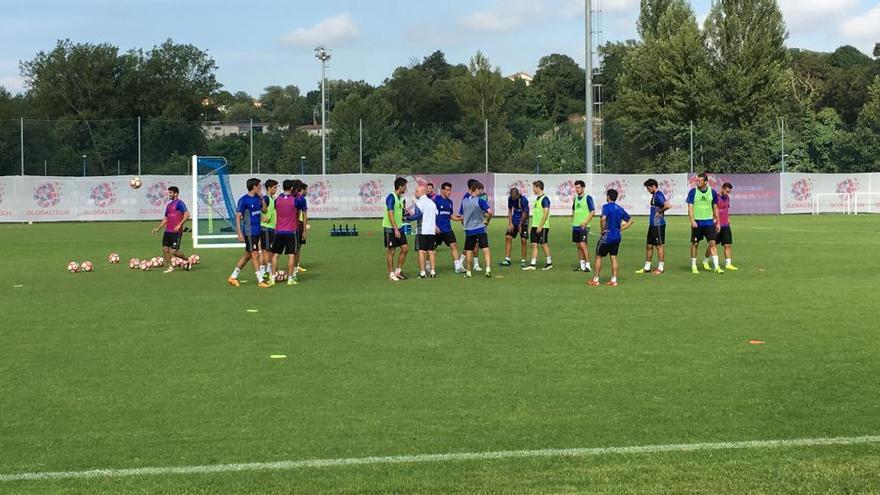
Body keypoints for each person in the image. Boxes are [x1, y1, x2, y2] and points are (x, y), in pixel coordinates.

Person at [588, 189, 633, 287]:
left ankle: (596, 279)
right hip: (617, 236)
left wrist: (602, 229)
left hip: (607, 236)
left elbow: (603, 219)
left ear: (608, 196)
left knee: (599, 256)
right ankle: (614, 280)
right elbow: (630, 220)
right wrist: (620, 229)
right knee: (613, 257)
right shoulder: (620, 209)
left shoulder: (606, 207)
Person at [228, 178, 268, 287]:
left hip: (257, 231)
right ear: (254, 187)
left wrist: (262, 199)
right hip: (249, 232)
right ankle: (260, 280)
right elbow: (238, 216)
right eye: (259, 186)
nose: (260, 188)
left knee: (248, 255)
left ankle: (233, 277)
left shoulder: (258, 199)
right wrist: (239, 233)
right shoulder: (244, 200)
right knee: (254, 254)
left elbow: (264, 210)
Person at [268, 180, 308, 286]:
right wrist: (303, 230)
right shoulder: (296, 200)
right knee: (291, 255)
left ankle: (272, 278)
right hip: (291, 231)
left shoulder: (277, 200)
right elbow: (302, 212)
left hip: (278, 231)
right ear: (291, 189)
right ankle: (290, 279)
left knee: (275, 255)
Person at [687, 172, 724, 274]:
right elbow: (690, 208)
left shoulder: (712, 192)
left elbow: (715, 208)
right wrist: (692, 221)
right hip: (697, 223)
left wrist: (718, 222)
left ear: (706, 182)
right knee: (695, 243)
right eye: (697, 181)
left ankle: (717, 267)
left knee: (712, 243)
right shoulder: (692, 192)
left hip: (709, 222)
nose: (697, 182)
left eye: (700, 181)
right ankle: (694, 265)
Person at [150, 186, 191, 273]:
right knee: (165, 249)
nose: (169, 194)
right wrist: (158, 228)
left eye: (171, 193)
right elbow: (166, 218)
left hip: (176, 232)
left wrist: (180, 225)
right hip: (167, 231)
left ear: (176, 194)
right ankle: (170, 267)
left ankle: (187, 260)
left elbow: (187, 215)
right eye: (169, 193)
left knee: (174, 252)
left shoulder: (180, 203)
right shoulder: (169, 205)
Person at [636, 178, 670, 275]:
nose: (648, 190)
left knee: (659, 246)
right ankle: (647, 267)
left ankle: (661, 268)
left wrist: (660, 212)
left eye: (648, 188)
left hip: (658, 224)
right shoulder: (654, 195)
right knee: (649, 245)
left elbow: (667, 205)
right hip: (652, 224)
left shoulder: (659, 195)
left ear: (654, 186)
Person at [459, 181, 493, 278]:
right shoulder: (480, 201)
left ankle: (469, 271)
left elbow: (461, 217)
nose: (481, 193)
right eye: (480, 191)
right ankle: (488, 269)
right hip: (480, 228)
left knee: (469, 250)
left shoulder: (464, 201)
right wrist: (487, 221)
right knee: (485, 249)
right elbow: (490, 212)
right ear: (477, 190)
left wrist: (464, 226)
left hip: (469, 230)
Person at [704, 182, 738, 271]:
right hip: (716, 225)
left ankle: (728, 264)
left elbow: (726, 209)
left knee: (727, 244)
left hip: (726, 225)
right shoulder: (715, 198)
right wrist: (714, 219)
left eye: (729, 192)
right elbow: (711, 209)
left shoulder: (727, 198)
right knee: (712, 244)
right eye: (726, 191)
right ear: (722, 189)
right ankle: (705, 261)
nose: (727, 193)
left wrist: (728, 218)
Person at [434, 182, 464, 273]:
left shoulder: (450, 202)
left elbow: (450, 215)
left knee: (454, 245)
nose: (449, 192)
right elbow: (432, 215)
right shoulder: (436, 200)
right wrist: (434, 226)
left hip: (447, 229)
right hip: (437, 230)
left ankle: (457, 266)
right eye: (447, 190)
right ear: (442, 190)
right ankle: (428, 265)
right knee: (431, 249)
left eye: (450, 190)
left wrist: (459, 219)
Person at [383, 177, 409, 281]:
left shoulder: (401, 199)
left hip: (400, 227)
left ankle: (398, 271)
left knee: (405, 248)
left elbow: (400, 213)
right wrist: (395, 229)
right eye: (405, 186)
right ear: (400, 187)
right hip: (391, 229)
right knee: (391, 251)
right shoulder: (391, 197)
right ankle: (391, 273)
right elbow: (390, 215)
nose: (406, 189)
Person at [410, 185, 439, 278]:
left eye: (416, 191)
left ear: (421, 192)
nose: (415, 193)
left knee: (421, 251)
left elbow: (417, 216)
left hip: (422, 230)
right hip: (431, 231)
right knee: (431, 251)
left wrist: (407, 217)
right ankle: (433, 271)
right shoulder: (432, 203)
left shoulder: (419, 203)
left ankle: (422, 272)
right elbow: (437, 215)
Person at [523, 180, 553, 271]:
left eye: (534, 188)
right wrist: (532, 226)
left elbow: (546, 213)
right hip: (535, 225)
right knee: (534, 244)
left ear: (538, 188)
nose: (533, 190)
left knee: (543, 244)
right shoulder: (537, 199)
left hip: (542, 226)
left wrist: (541, 226)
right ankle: (533, 264)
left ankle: (549, 263)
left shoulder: (545, 199)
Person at [458, 179, 484, 272]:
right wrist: (464, 225)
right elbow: (462, 213)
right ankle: (463, 263)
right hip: (471, 226)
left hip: (475, 224)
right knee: (471, 245)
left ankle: (473, 263)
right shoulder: (466, 198)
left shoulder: (476, 197)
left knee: (475, 245)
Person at [500, 187, 529, 268]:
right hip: (514, 220)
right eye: (512, 196)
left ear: (518, 194)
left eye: (514, 197)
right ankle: (507, 260)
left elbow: (525, 213)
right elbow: (510, 210)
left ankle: (523, 261)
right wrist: (510, 223)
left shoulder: (523, 200)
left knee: (523, 240)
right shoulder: (510, 199)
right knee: (508, 237)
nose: (513, 198)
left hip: (523, 221)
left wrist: (520, 225)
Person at [571, 180, 595, 273]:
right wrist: (574, 219)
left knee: (583, 244)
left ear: (583, 188)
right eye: (575, 187)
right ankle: (582, 265)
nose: (576, 189)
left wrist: (585, 222)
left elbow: (592, 211)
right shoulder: (576, 199)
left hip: (584, 226)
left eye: (578, 187)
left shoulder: (588, 198)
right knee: (578, 245)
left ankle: (588, 265)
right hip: (575, 225)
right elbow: (573, 209)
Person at [259, 179, 278, 282]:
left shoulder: (271, 199)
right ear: (269, 188)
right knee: (266, 251)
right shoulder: (266, 198)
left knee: (268, 251)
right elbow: (260, 209)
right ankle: (269, 271)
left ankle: (266, 271)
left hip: (271, 228)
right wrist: (262, 217)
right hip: (265, 228)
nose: (276, 189)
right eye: (275, 187)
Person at [295, 181, 309, 274]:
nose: (307, 191)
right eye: (306, 189)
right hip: (298, 224)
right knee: (297, 247)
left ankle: (297, 265)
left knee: (298, 246)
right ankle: (295, 267)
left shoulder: (301, 199)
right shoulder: (299, 199)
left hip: (300, 224)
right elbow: (303, 214)